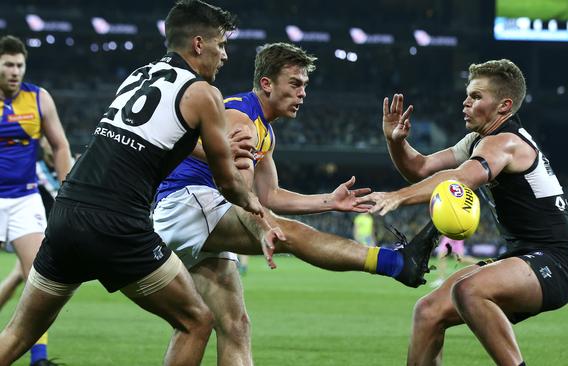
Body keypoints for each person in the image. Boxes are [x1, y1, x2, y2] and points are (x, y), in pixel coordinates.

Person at [0, 1, 266, 365]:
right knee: (197, 321)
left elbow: (156, 139)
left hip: (67, 211)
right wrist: (258, 209)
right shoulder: (204, 94)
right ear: (199, 44)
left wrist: (210, 147)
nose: (225, 56)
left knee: (17, 334)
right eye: (221, 45)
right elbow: (229, 185)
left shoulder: (139, 76)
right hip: (117, 222)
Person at [152, 42, 436, 365]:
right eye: (295, 84)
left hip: (204, 210)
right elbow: (239, 192)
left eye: (305, 85)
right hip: (187, 202)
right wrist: (266, 226)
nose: (303, 93)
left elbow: (270, 194)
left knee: (232, 325)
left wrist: (329, 201)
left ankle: (396, 263)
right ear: (266, 84)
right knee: (290, 235)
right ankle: (395, 263)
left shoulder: (265, 132)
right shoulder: (240, 117)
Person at [367, 59, 568, 365]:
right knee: (428, 312)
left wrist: (397, 197)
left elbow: (461, 179)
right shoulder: (478, 141)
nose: (466, 102)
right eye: (467, 95)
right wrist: (395, 142)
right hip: (521, 257)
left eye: (477, 96)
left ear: (504, 106)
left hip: (556, 261)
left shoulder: (507, 142)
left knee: (469, 290)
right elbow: (421, 168)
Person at [0, 34, 72, 366]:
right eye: (8, 64)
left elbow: (59, 146)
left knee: (37, 281)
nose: (14, 71)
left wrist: (67, 190)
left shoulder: (39, 98)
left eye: (19, 65)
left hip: (25, 198)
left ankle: (38, 357)